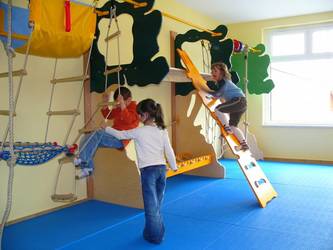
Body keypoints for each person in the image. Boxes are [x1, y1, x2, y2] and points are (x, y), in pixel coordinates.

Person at [104, 98, 178, 244]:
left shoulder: (139, 132)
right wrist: (174, 166)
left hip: (148, 172)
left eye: (139, 114)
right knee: (156, 205)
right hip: (162, 170)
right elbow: (168, 150)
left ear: (144, 115)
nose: (137, 117)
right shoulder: (161, 130)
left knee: (151, 207)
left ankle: (156, 236)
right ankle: (151, 232)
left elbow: (121, 135)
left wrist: (105, 128)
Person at [75, 86, 139, 178]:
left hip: (120, 140)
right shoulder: (120, 107)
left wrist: (122, 105)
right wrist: (105, 103)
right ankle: (87, 168)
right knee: (87, 138)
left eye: (120, 102)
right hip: (112, 135)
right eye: (116, 102)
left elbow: (128, 119)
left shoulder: (135, 109)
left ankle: (84, 161)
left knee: (97, 133)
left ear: (129, 100)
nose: (117, 105)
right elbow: (108, 115)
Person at [208, 62, 249, 151]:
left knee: (218, 109)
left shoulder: (224, 81)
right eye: (212, 71)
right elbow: (219, 93)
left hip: (239, 100)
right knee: (233, 126)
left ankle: (227, 128)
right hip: (241, 103)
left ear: (222, 73)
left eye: (215, 71)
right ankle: (244, 145)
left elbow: (218, 94)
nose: (212, 73)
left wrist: (209, 93)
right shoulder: (221, 83)